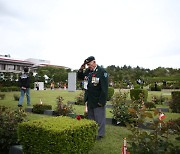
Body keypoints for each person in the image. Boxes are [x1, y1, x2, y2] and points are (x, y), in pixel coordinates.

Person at [77, 56, 108, 140]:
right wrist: (81, 68)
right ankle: (92, 132)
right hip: (90, 98)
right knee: (91, 117)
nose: (88, 66)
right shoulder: (88, 71)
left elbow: (104, 89)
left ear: (94, 62)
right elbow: (80, 77)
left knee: (99, 117)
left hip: (98, 99)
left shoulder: (102, 71)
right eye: (87, 65)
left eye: (89, 64)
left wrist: (101, 101)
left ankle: (100, 134)